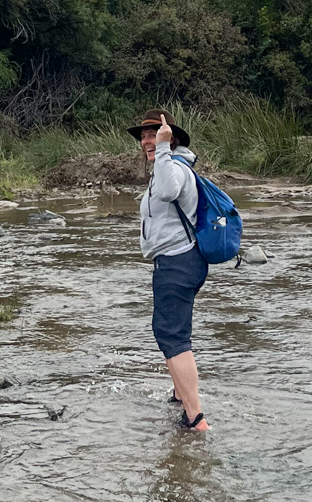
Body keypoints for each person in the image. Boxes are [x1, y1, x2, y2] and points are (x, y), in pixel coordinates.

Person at [127, 109, 209, 431]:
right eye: (144, 136)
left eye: (153, 134)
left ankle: (196, 418)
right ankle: (179, 396)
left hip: (178, 261)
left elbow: (169, 192)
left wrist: (162, 148)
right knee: (169, 333)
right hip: (175, 261)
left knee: (173, 337)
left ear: (170, 137)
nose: (147, 140)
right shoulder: (168, 165)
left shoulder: (172, 165)